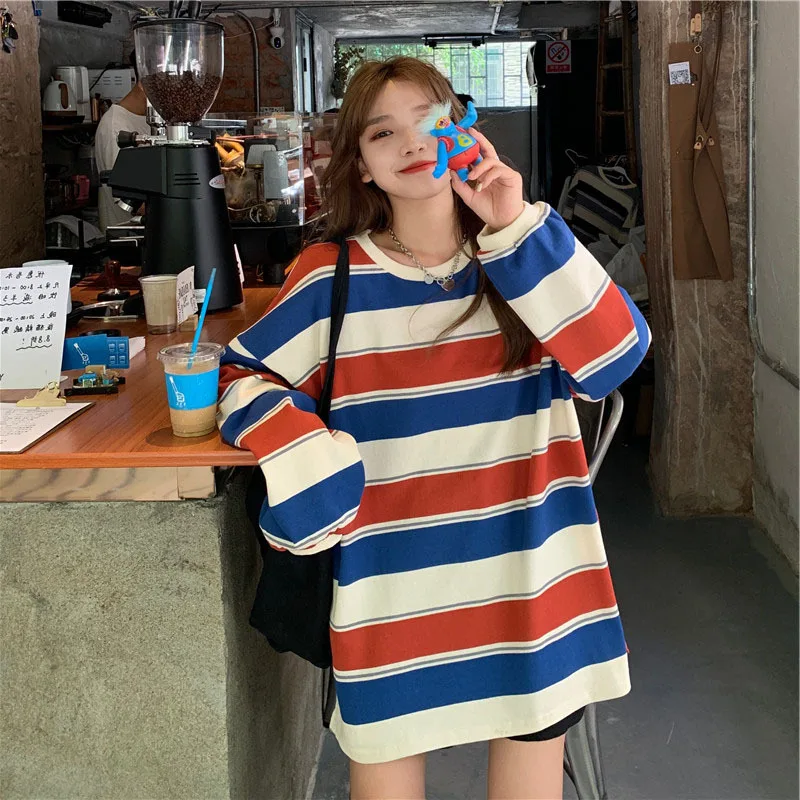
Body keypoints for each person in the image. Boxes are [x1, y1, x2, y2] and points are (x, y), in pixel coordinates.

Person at [217, 57, 650, 800]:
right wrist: (302, 452)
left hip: (531, 574)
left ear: (465, 129)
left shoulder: (524, 254)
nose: (413, 142)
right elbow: (239, 377)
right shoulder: (331, 275)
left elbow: (616, 359)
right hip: (391, 584)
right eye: (383, 132)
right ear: (361, 164)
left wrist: (512, 221)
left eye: (430, 119)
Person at [94, 50, 151, 232]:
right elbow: (136, 204)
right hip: (128, 237)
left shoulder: (153, 119)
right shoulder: (115, 126)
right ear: (144, 84)